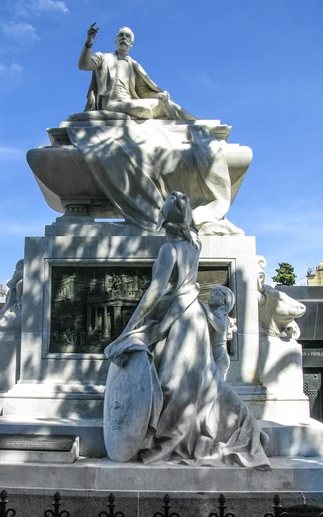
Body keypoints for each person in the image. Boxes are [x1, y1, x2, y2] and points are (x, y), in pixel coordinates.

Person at [104, 191, 270, 468]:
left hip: (181, 322)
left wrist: (131, 325)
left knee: (176, 384)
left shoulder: (169, 250)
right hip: (193, 315)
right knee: (200, 382)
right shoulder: (194, 247)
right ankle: (232, 425)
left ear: (162, 220)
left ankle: (169, 438)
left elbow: (156, 290)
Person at [79, 24, 196, 121]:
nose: (123, 37)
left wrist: (158, 95)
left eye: (127, 36)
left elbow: (142, 91)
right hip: (111, 105)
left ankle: (196, 124)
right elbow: (84, 65)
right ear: (115, 39)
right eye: (120, 35)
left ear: (131, 43)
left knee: (164, 103)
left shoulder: (134, 65)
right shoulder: (103, 57)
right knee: (143, 109)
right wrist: (89, 42)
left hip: (129, 102)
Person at [201, 286, 237, 380]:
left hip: (219, 353)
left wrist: (207, 312)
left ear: (224, 300)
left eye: (217, 294)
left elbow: (221, 328)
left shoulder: (218, 313)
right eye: (211, 294)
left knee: (217, 385)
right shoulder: (218, 313)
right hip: (216, 352)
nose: (212, 296)